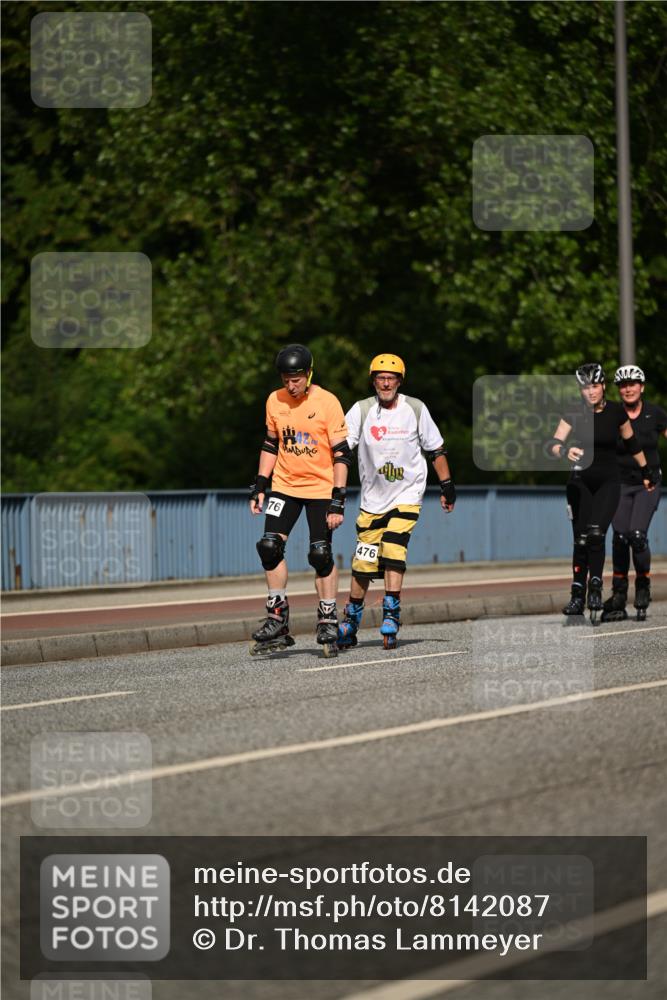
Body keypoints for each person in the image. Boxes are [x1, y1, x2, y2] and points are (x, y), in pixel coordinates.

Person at [337, 353, 456, 650]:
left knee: (393, 546)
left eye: (391, 378)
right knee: (363, 562)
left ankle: (391, 612)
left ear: (400, 381)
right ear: (373, 381)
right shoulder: (361, 410)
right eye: (380, 378)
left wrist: (447, 485)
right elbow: (341, 449)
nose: (385, 382)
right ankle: (351, 619)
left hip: (407, 494)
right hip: (372, 499)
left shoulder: (414, 408)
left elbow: (436, 449)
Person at [249, 344, 351, 657]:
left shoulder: (327, 402)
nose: (291, 385)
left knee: (320, 553)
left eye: (296, 379)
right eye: (286, 379)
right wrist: (261, 485)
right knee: (269, 545)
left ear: (308, 374)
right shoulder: (274, 400)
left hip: (320, 488)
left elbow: (342, 453)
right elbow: (270, 443)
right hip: (285, 486)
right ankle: (277, 618)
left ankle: (328, 618)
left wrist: (338, 498)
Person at [546, 363, 657, 621]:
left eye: (595, 386)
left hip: (608, 483)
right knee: (581, 539)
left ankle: (595, 588)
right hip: (579, 482)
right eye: (585, 387)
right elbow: (552, 443)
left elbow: (632, 443)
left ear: (603, 386)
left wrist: (647, 471)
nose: (591, 392)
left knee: (597, 534)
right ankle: (577, 595)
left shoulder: (617, 413)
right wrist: (564, 451)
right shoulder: (573, 412)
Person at [602, 365, 666, 621]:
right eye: (623, 385)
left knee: (637, 536)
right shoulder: (614, 415)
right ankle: (619, 593)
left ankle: (643, 584)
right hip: (618, 485)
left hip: (646, 484)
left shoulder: (655, 413)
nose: (628, 389)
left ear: (642, 387)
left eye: (633, 384)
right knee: (619, 537)